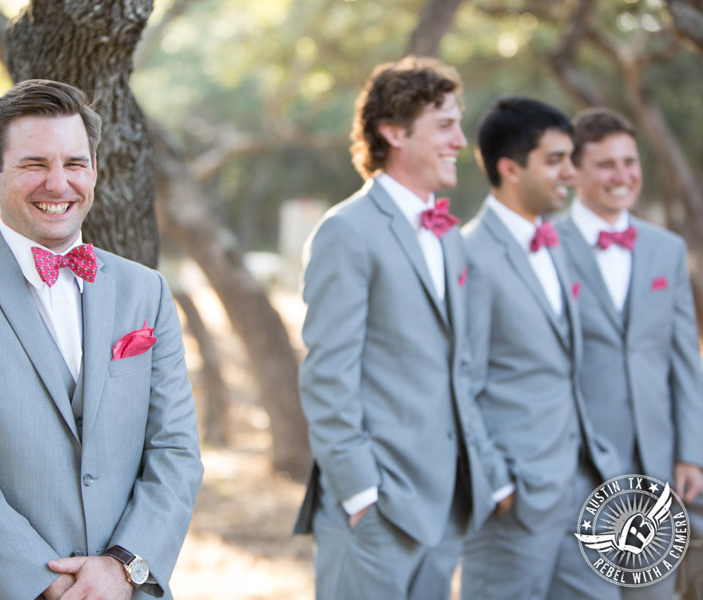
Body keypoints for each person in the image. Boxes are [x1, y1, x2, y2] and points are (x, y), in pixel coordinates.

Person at [0, 79, 203, 600]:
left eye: (75, 164)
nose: (59, 184)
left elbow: (175, 449)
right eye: (35, 164)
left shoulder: (145, 290)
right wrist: (48, 582)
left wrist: (123, 569)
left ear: (93, 171)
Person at [292, 56, 512, 600]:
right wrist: (360, 492)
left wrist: (484, 471)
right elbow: (328, 376)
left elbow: (462, 372)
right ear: (393, 131)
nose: (461, 140)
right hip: (376, 509)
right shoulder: (347, 231)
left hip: (447, 506)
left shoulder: (448, 235)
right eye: (444, 125)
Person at [459, 97, 619, 600]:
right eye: (555, 160)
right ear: (510, 168)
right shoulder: (469, 254)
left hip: (584, 484)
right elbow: (461, 379)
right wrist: (499, 483)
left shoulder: (556, 243)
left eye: (570, 158)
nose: (571, 174)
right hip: (518, 498)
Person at [556, 107, 703, 599]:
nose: (623, 176)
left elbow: (685, 358)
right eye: (606, 164)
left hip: (658, 464)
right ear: (572, 171)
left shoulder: (665, 248)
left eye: (629, 161)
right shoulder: (545, 244)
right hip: (577, 463)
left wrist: (691, 452)